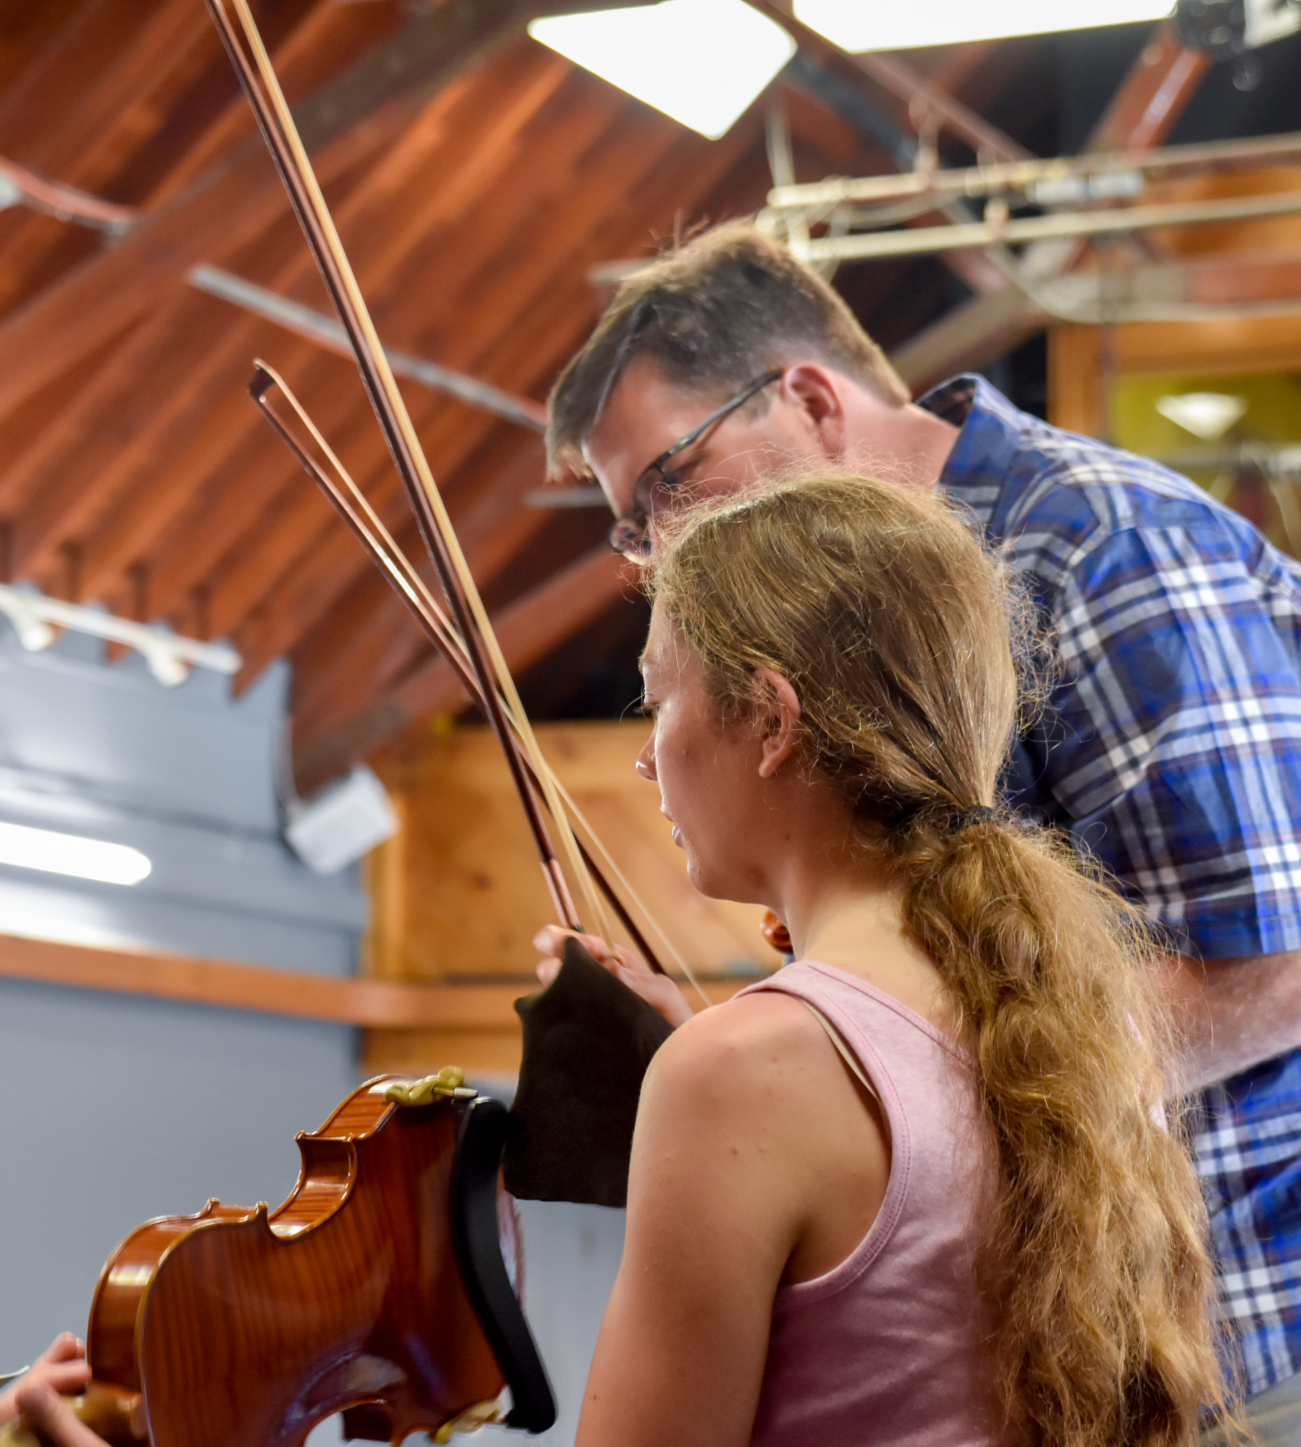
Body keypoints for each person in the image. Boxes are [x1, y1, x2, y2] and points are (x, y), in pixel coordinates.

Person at [0, 474, 1227, 1447]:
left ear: (773, 722)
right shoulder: (1070, 1023)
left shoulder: (758, 1068)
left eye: (659, 699)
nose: (645, 757)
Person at [536, 222, 1301, 1438]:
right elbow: (972, 974)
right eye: (634, 527)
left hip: (1249, 1333)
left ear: (806, 396)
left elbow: (1273, 959)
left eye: (670, 482)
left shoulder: (1107, 541)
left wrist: (832, 1082)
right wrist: (819, 1075)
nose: (657, 549)